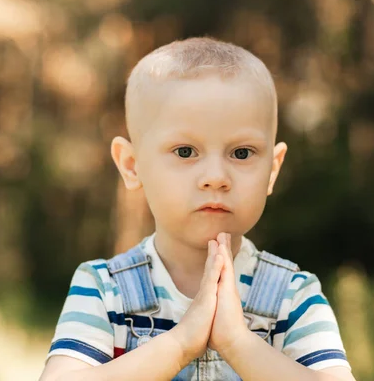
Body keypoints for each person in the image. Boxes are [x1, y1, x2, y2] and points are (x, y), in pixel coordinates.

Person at [39, 37, 356, 381]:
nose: (216, 178)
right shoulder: (104, 289)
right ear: (132, 166)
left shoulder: (293, 296)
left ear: (273, 169)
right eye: (186, 152)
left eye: (242, 153)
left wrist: (238, 343)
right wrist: (179, 345)